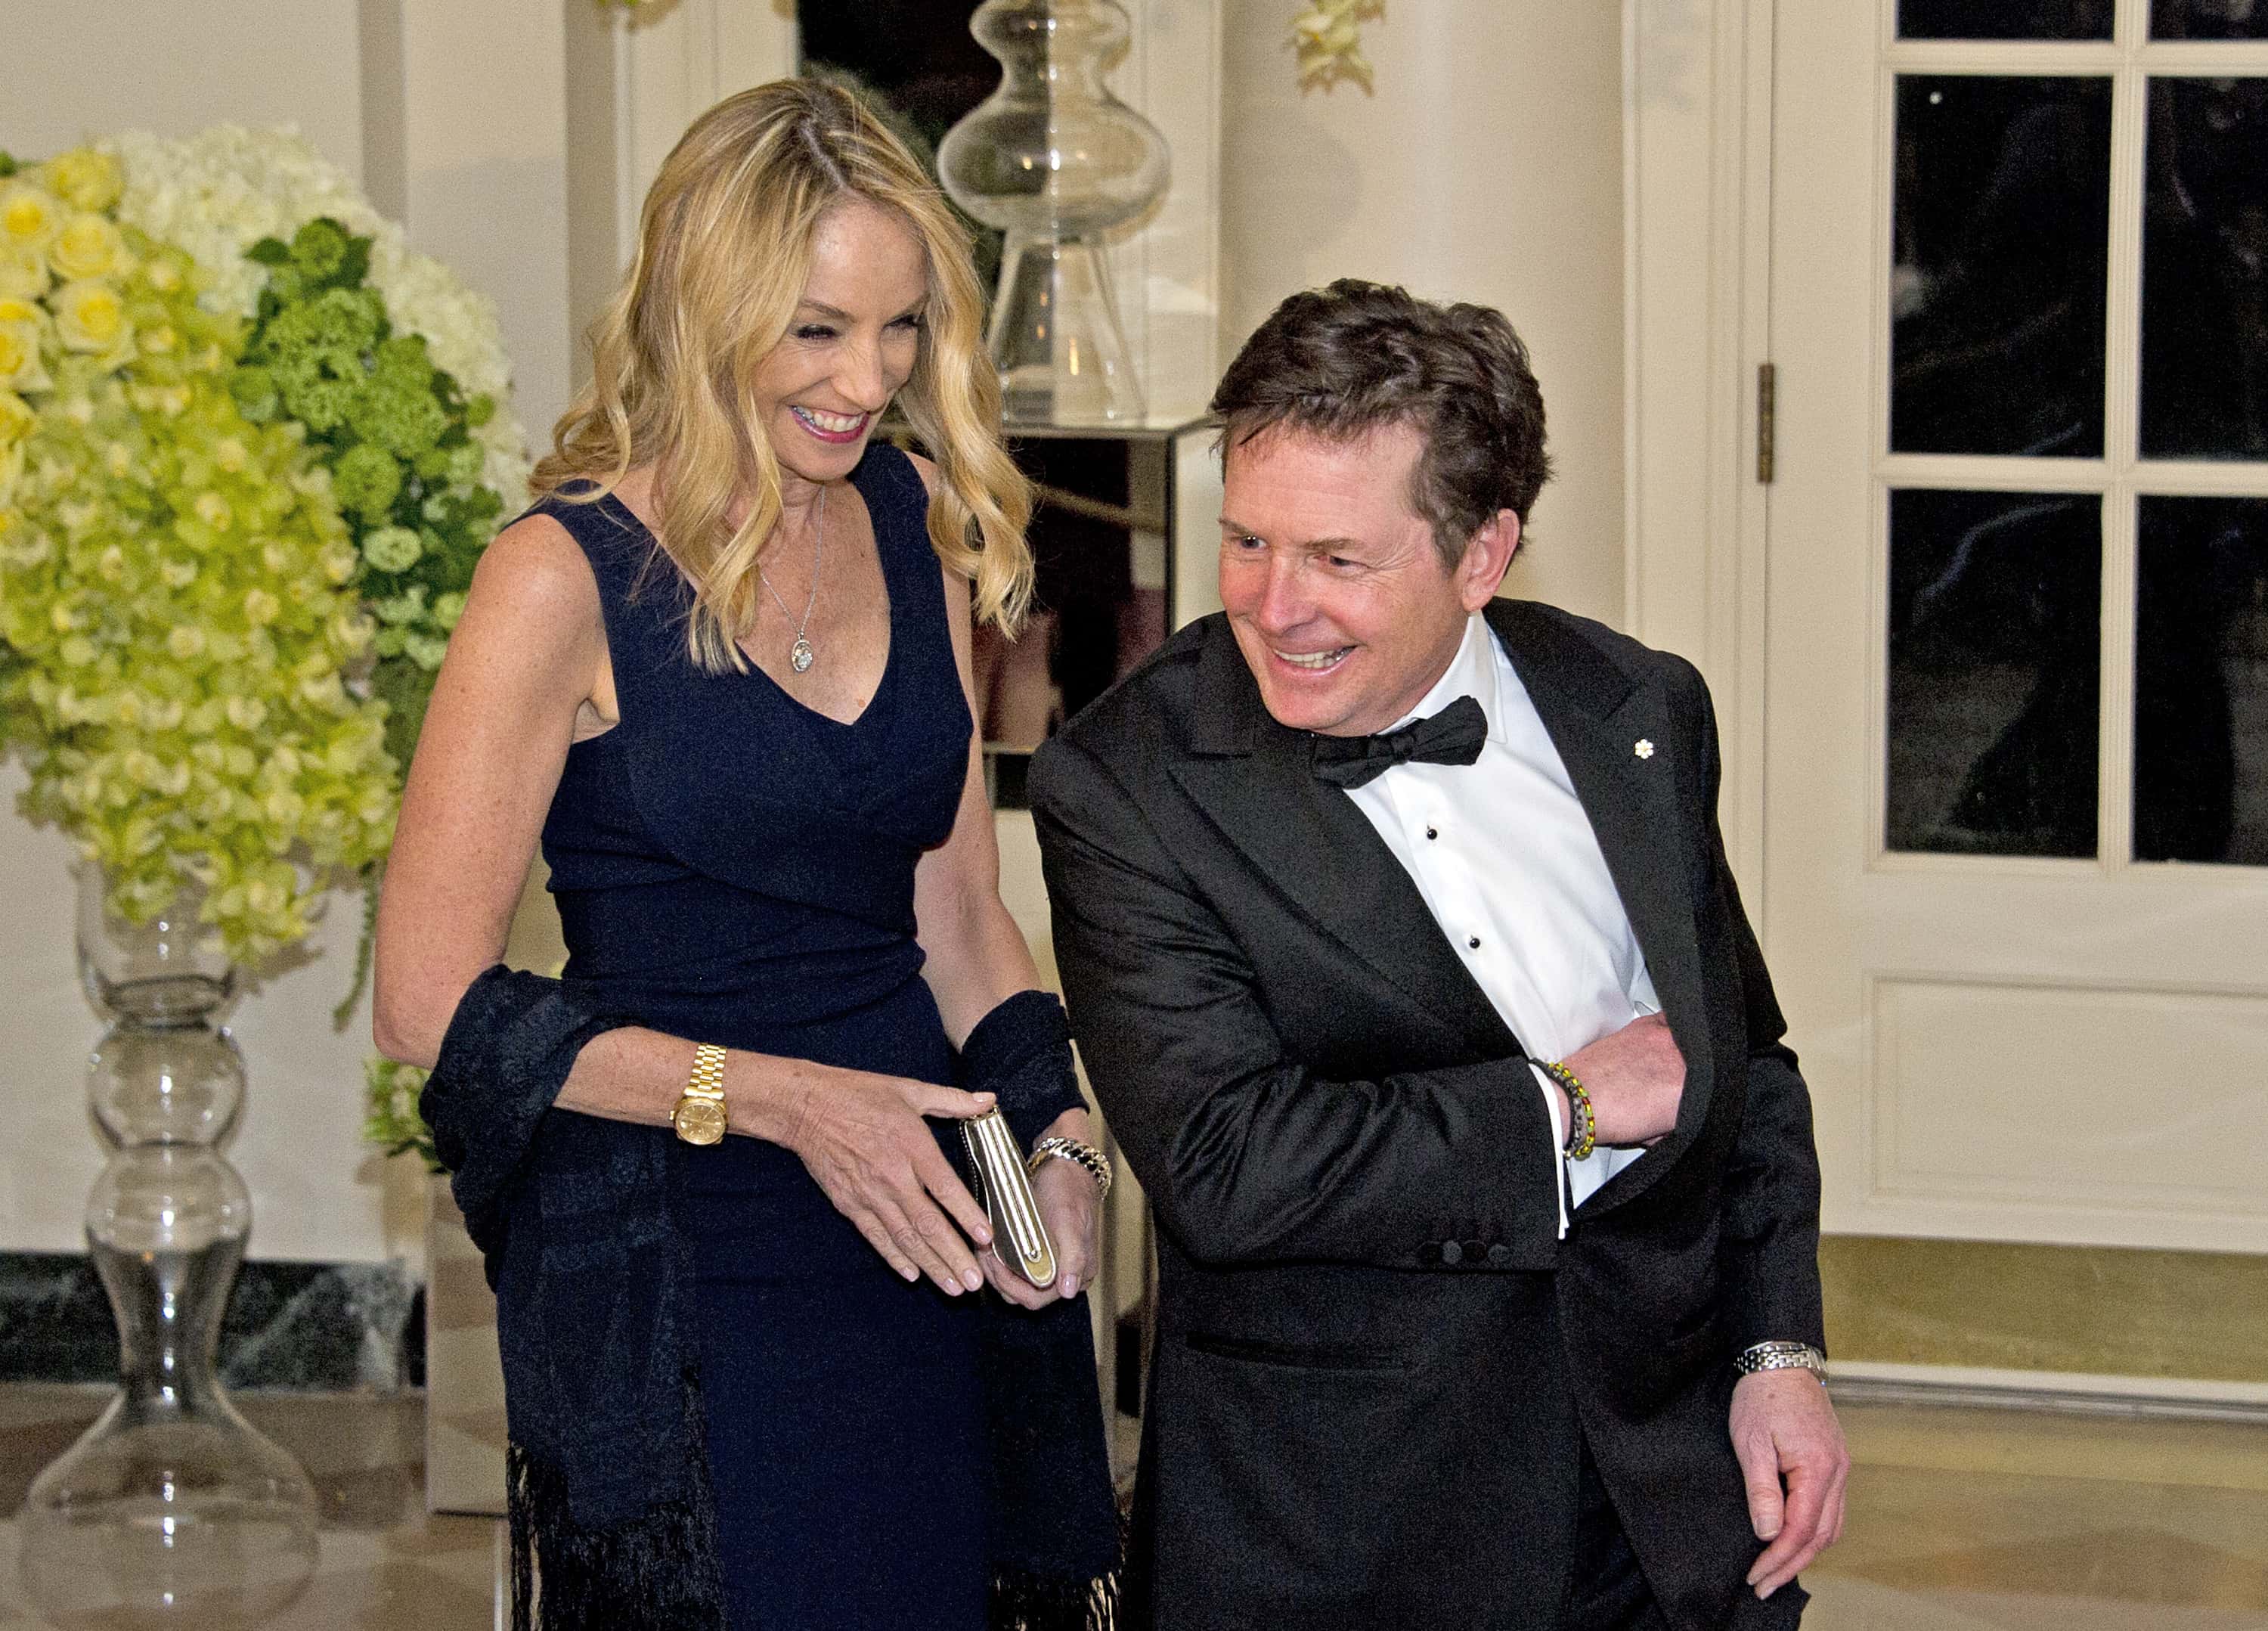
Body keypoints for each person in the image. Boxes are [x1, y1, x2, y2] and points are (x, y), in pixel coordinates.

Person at [373, 81, 1117, 1631]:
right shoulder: (556, 578)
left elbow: (962, 906)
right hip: (689, 1246)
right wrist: (784, 1101)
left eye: (903, 327)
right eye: (819, 329)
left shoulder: (920, 519)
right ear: (706, 307)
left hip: (931, 1217)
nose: (871, 379)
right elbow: (429, 1000)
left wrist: (1061, 1135)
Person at [1030, 279, 1848, 1630]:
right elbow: (1229, 1168)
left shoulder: (1636, 705)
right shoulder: (1129, 785)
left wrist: (1778, 1350)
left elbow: (1744, 1064)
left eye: (1339, 560)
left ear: (1483, 555)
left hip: (1660, 1502)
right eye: (1246, 541)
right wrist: (1566, 1107)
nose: (1273, 605)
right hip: (1346, 1527)